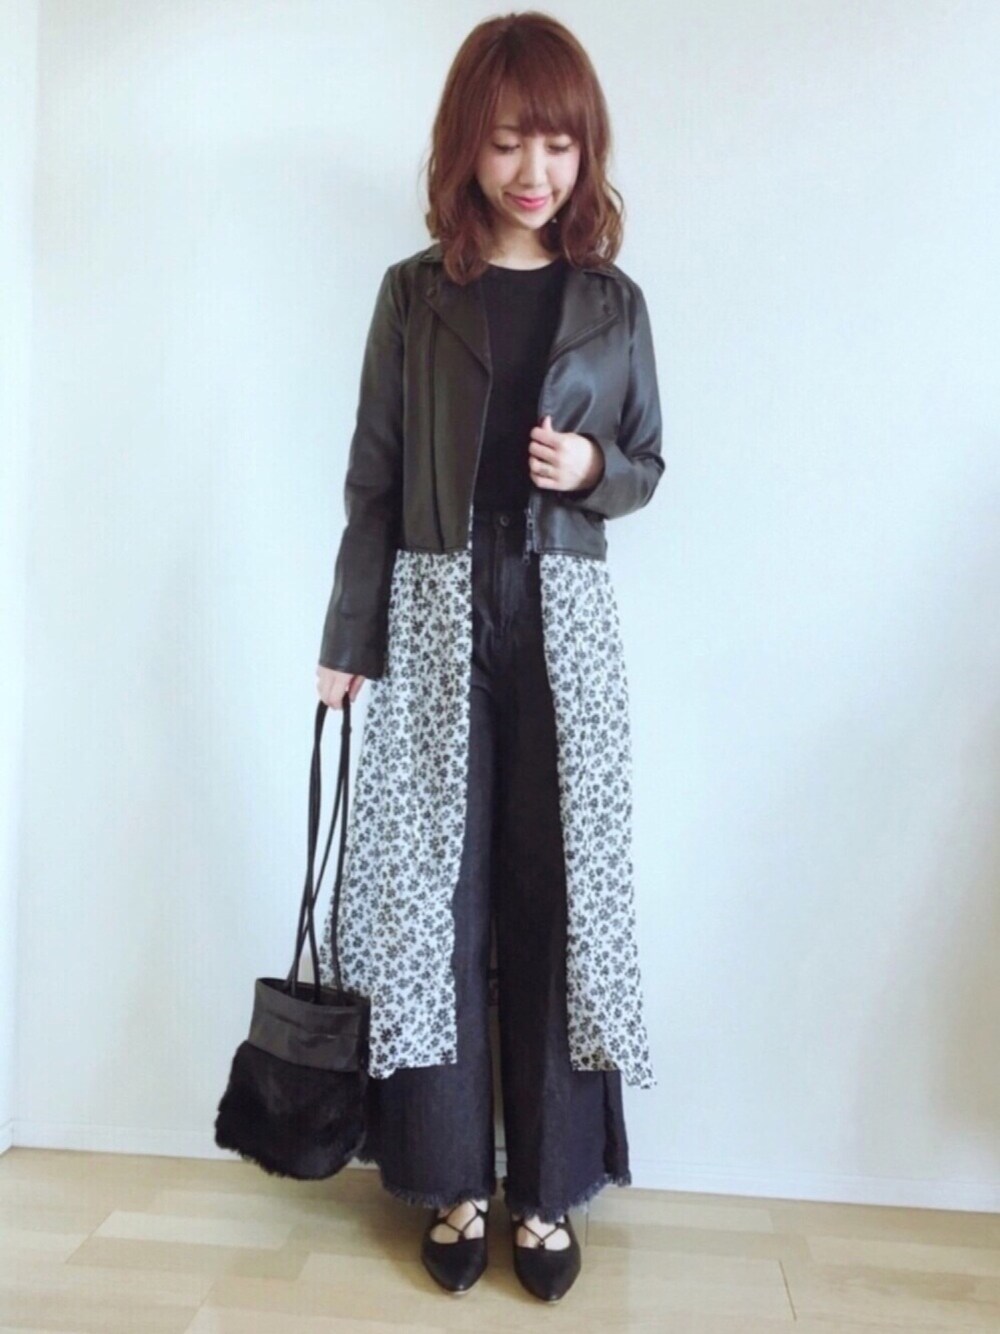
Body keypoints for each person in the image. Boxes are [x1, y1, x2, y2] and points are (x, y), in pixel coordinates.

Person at [314, 12, 663, 1302]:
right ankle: (452, 1179)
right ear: (467, 144)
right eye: (510, 140)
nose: (534, 170)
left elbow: (649, 464)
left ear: (585, 152)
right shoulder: (414, 294)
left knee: (559, 896)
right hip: (429, 609)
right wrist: (347, 639)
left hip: (565, 615)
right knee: (434, 906)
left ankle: (551, 1190)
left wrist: (593, 467)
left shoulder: (614, 302)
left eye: (558, 144)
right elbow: (373, 478)